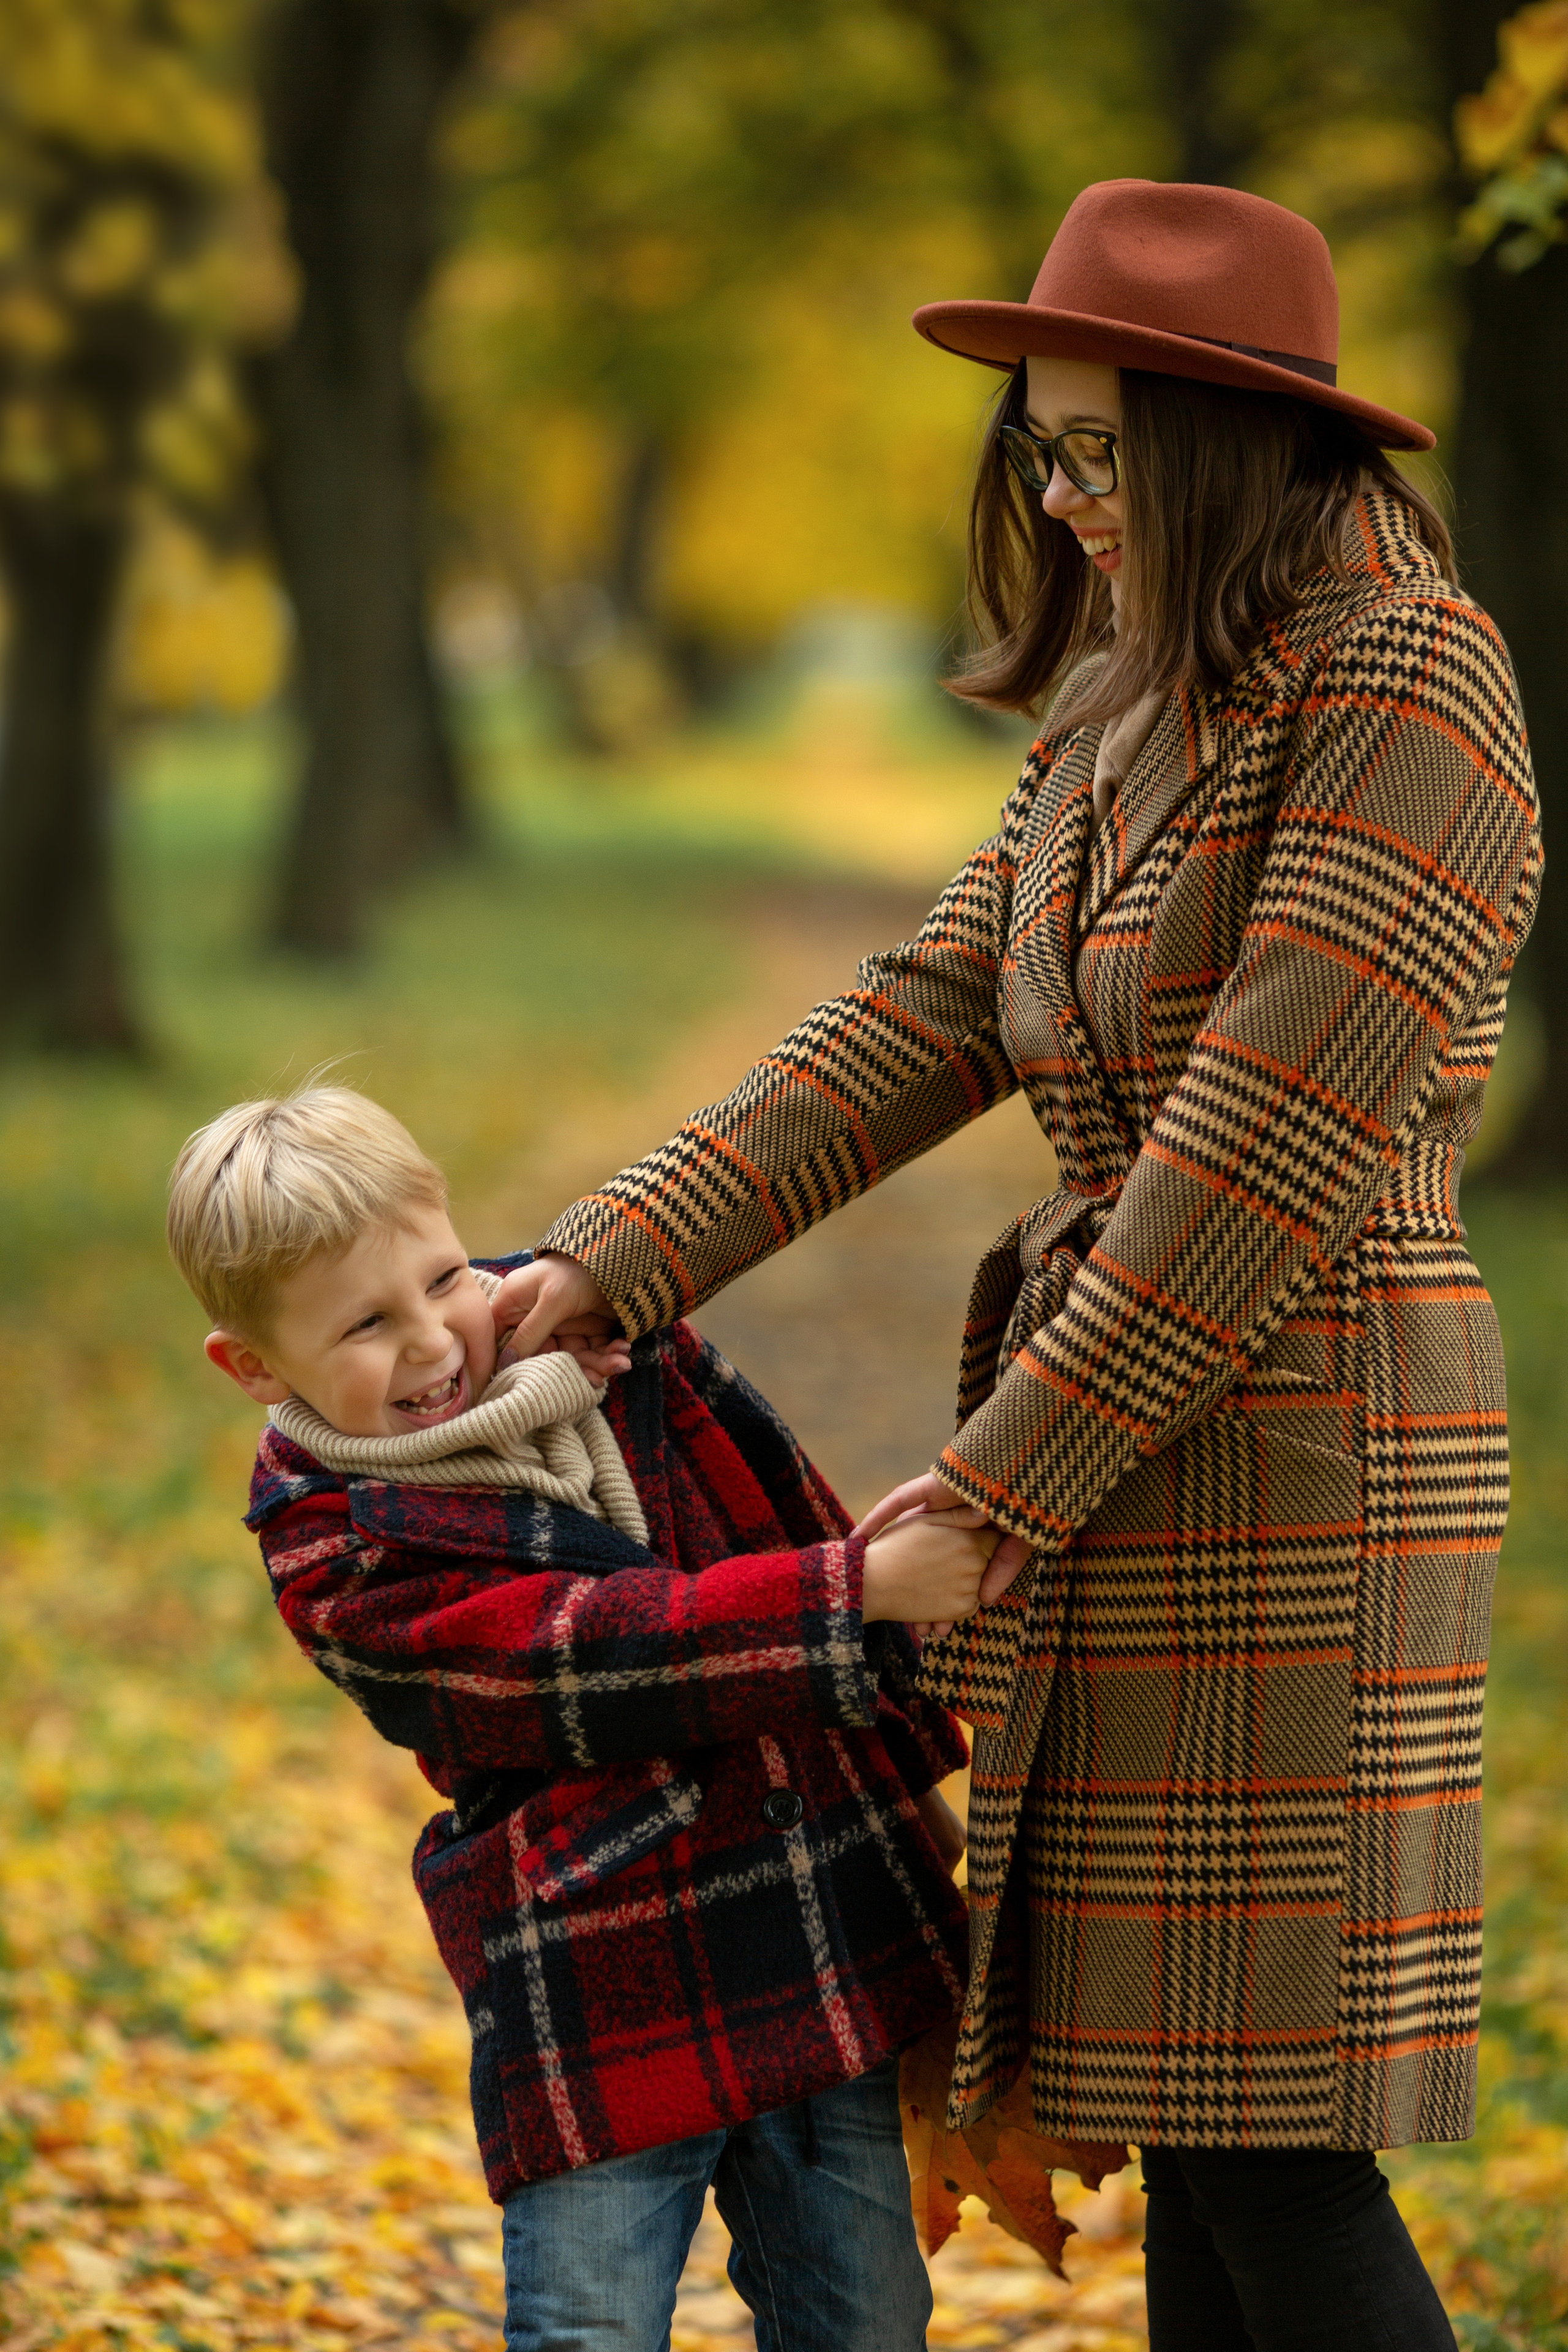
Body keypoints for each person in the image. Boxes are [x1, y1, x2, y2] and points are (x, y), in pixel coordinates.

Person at [494, 179, 1544, 2352]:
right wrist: (610, 1258)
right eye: (1037, 451)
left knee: (1275, 2134)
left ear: (1231, 442)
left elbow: (1255, 1156)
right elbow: (928, 1009)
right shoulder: (1125, 699)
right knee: (1191, 2109)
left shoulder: (1411, 680)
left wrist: (997, 1487)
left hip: (1303, 1459)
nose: (1060, 500)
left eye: (1098, 452)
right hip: (1139, 1454)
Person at [167, 1084, 1016, 2352]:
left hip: (807, 1914)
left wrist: (909, 1770)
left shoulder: (619, 1357)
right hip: (600, 1979)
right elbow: (577, 1657)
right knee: (589, 2325)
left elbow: (776, 1508)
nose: (430, 1343)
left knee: (864, 2314)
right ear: (253, 1366)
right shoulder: (334, 1544)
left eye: (442, 1280)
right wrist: (850, 1596)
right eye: (364, 1324)